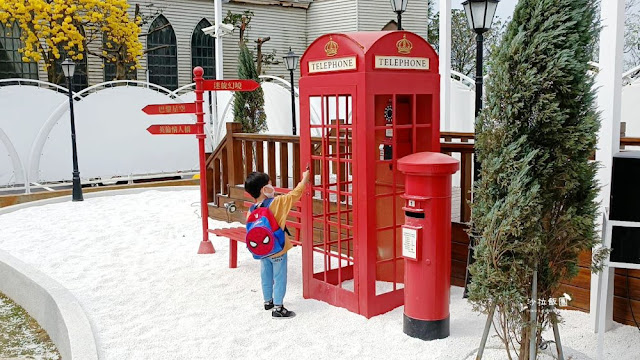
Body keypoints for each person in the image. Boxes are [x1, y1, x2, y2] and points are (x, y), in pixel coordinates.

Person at [244, 169, 310, 319]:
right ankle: (278, 308)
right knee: (279, 277)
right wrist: (305, 178)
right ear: (264, 189)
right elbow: (295, 194)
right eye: (269, 184)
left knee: (265, 275)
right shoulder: (277, 202)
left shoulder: (252, 210)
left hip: (262, 250)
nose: (272, 186)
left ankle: (268, 301)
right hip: (278, 249)